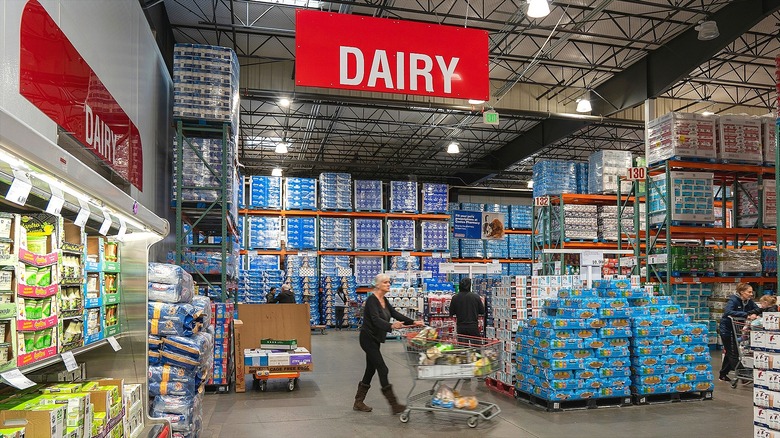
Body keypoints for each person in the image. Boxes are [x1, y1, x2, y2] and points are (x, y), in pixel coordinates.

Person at [353, 273, 423, 414]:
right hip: (367, 339)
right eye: (385, 282)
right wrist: (391, 326)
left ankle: (358, 402)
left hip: (375, 339)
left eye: (389, 282)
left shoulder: (384, 300)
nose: (388, 284)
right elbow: (375, 320)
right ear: (378, 285)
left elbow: (396, 314)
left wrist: (413, 322)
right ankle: (394, 405)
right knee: (383, 369)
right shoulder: (372, 300)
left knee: (370, 370)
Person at [718, 282, 758, 382]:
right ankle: (743, 375)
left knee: (730, 351)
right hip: (727, 329)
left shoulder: (749, 302)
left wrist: (755, 313)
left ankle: (723, 374)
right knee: (733, 352)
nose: (751, 294)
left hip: (736, 329)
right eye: (749, 292)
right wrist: (746, 314)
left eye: (751, 292)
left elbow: (757, 309)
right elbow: (728, 312)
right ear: (741, 292)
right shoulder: (733, 300)